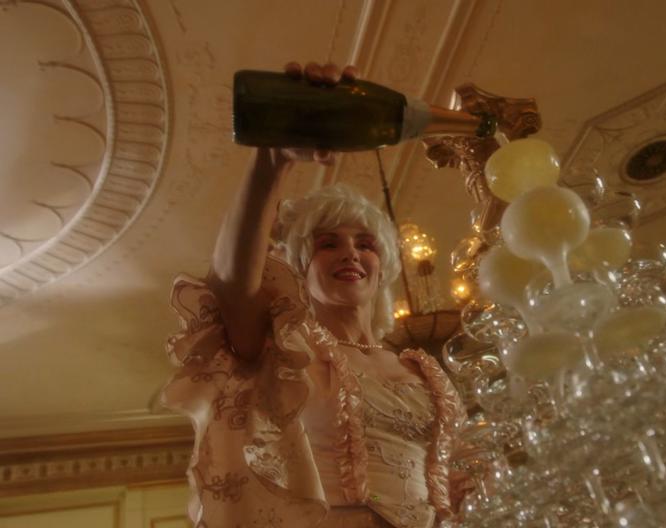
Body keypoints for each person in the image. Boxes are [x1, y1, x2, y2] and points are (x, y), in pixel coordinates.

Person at [161, 62, 469, 528]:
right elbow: (228, 288)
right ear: (300, 269)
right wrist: (272, 159)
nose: (350, 253)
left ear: (382, 267)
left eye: (365, 244)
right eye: (328, 243)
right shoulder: (287, 350)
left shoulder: (422, 370)